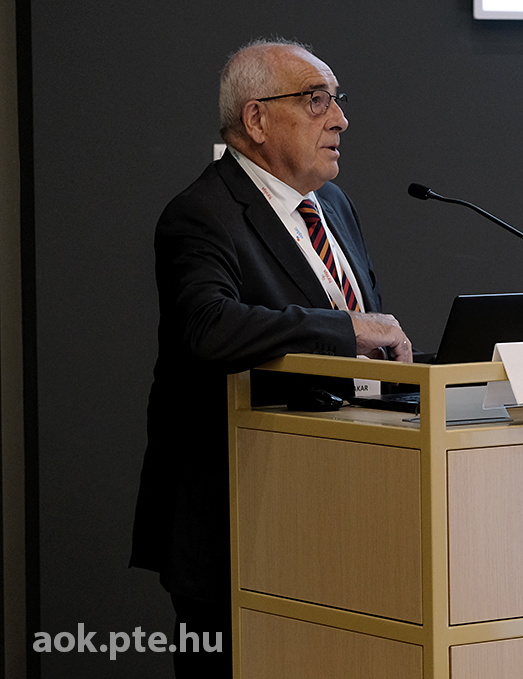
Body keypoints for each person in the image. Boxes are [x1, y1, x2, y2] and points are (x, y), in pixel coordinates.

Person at [129, 38, 411, 676]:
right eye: (316, 100)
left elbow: (356, 343)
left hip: (335, 514)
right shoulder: (202, 214)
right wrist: (344, 329)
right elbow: (208, 328)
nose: (340, 119)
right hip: (239, 527)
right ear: (255, 119)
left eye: (336, 100)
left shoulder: (333, 206)